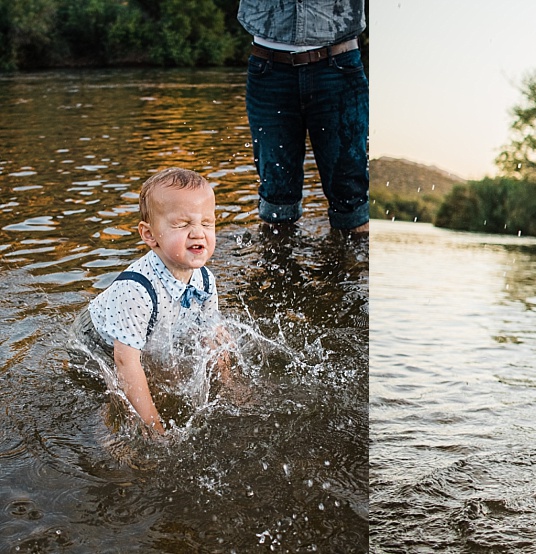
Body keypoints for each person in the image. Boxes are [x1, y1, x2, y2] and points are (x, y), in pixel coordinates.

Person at [76, 168, 227, 435]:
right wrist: (153, 425)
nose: (198, 233)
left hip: (145, 327)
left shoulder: (204, 280)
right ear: (149, 235)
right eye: (182, 224)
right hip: (96, 343)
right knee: (115, 393)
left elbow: (213, 337)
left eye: (206, 223)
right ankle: (104, 437)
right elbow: (125, 363)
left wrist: (231, 387)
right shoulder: (135, 291)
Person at [238, 0, 369, 234]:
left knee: (351, 198)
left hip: (339, 66)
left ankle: (353, 266)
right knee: (276, 200)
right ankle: (275, 267)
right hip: (269, 70)